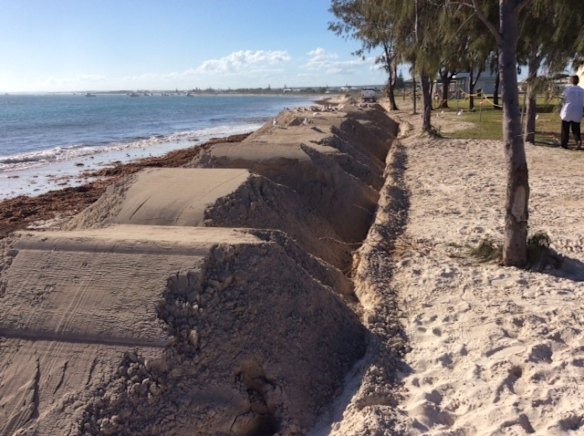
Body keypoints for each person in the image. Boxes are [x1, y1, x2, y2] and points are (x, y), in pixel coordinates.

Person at [560, 75, 584, 149]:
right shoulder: (582, 90)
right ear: (578, 81)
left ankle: (564, 145)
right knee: (576, 128)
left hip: (568, 111)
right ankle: (578, 140)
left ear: (571, 81)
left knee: (565, 129)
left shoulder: (568, 89)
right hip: (578, 111)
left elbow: (563, 99)